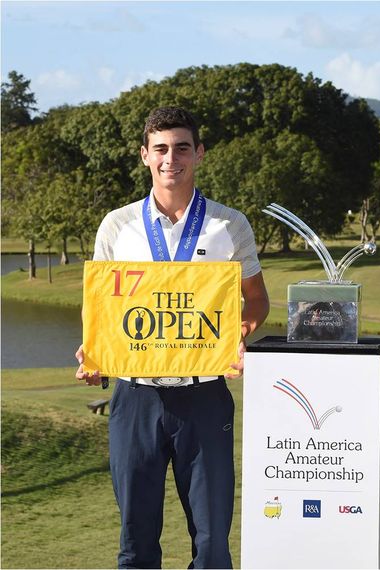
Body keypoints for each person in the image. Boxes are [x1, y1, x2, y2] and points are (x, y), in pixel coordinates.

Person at [75, 106, 269, 568]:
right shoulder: (117, 226)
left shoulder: (229, 225)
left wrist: (239, 334)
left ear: (199, 153)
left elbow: (257, 300)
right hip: (135, 400)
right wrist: (93, 349)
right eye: (160, 148)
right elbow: (100, 308)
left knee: (211, 544)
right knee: (136, 542)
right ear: (144, 155)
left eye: (182, 147)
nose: (171, 158)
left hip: (203, 397)